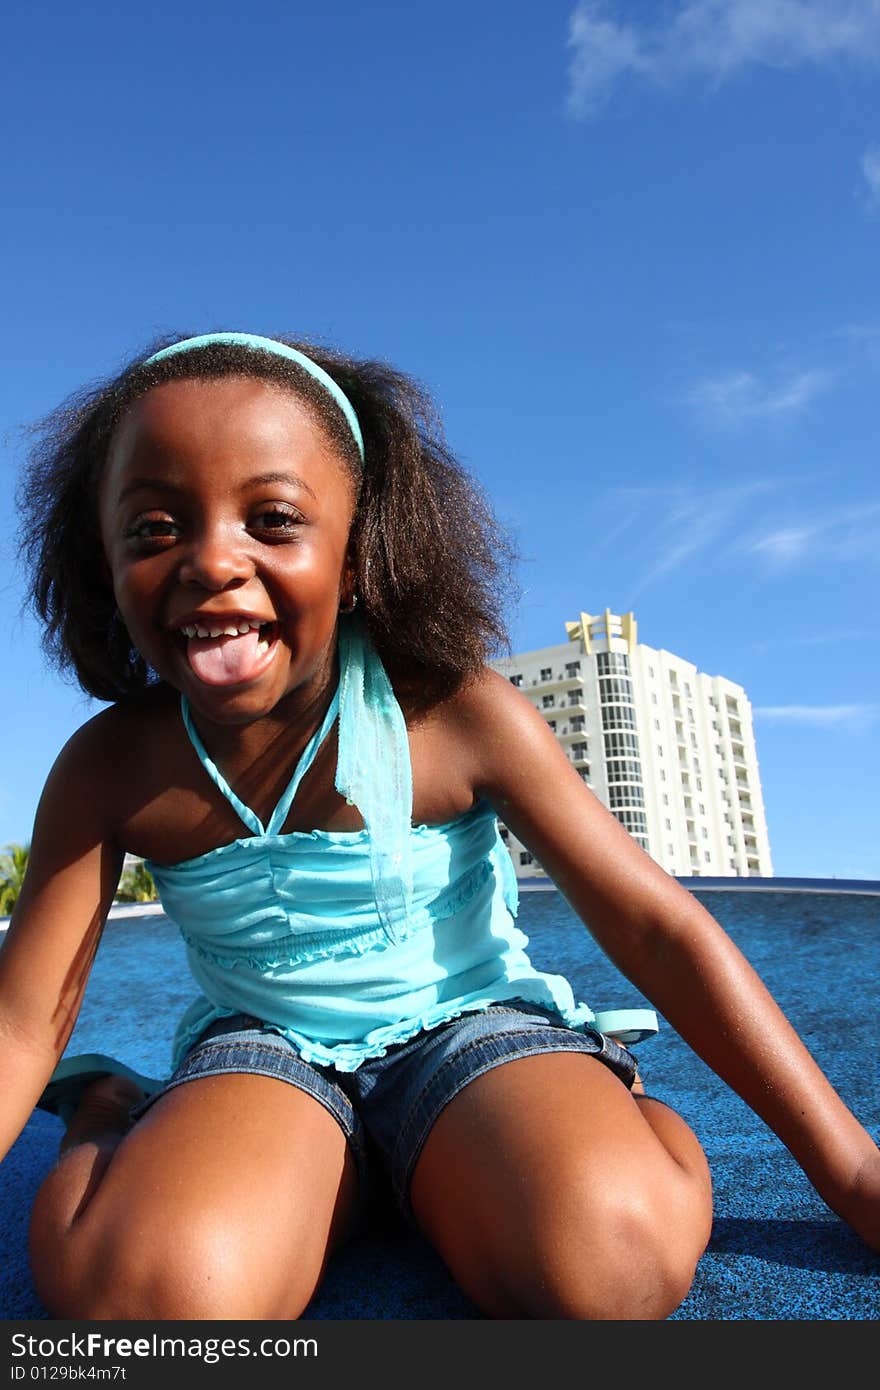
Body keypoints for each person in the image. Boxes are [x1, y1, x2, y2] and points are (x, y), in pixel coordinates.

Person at [1, 332, 877, 1322]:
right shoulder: (112, 765)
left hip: (464, 1027)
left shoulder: (456, 716)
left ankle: (564, 1122)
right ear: (101, 557)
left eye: (273, 518)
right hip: (266, 1052)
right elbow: (25, 1018)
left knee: (606, 1261)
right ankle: (121, 1115)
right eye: (154, 527)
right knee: (149, 1301)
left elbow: (656, 927)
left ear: (359, 544)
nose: (211, 559)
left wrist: (848, 1168)